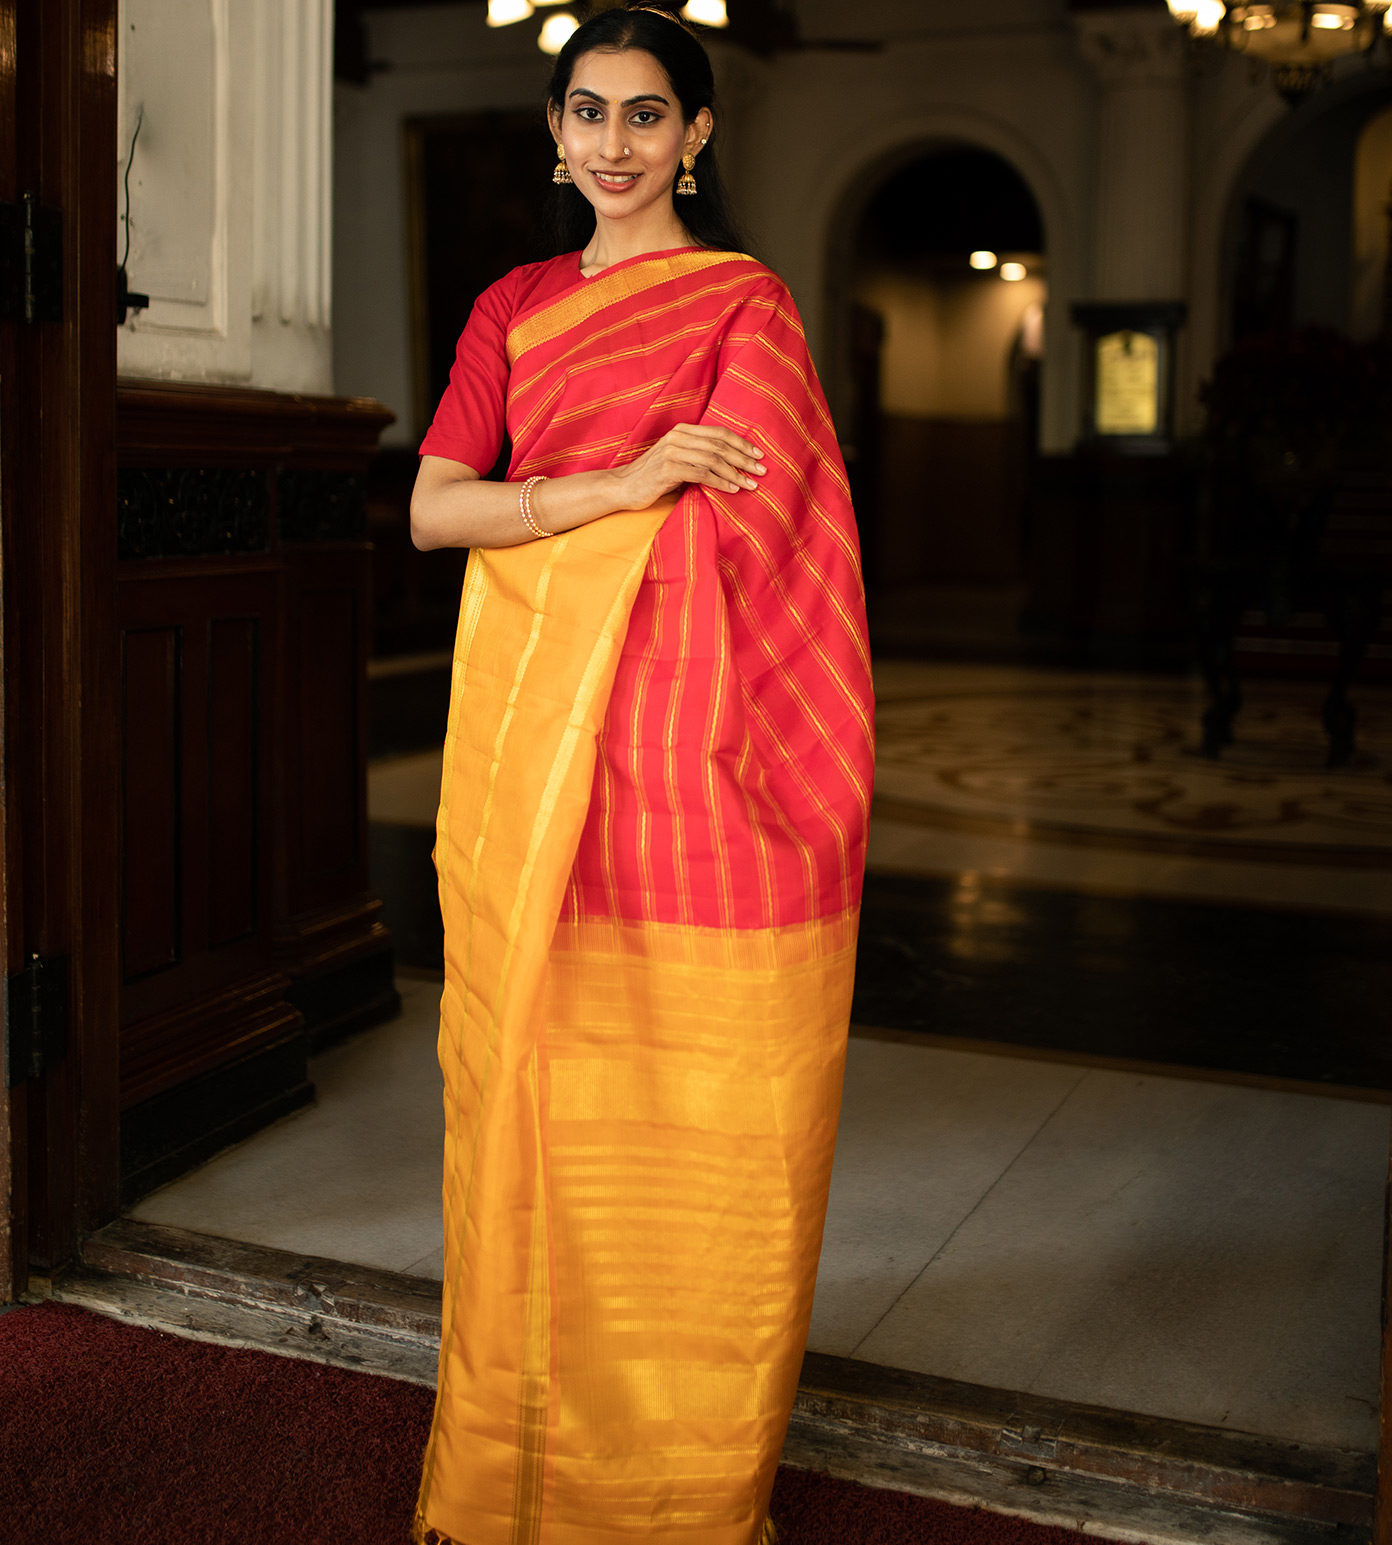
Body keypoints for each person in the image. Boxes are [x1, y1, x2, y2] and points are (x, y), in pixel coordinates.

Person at [408, 6, 874, 1543]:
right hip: (532, 760)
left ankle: (682, 1489)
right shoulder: (513, 307)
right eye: (588, 114)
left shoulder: (743, 305)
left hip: (687, 762)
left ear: (698, 136)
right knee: (533, 1098)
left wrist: (616, 498)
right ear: (553, 131)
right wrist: (616, 479)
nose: (614, 145)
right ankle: (516, 1467)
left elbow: (761, 528)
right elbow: (433, 510)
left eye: (647, 116)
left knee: (707, 1114)